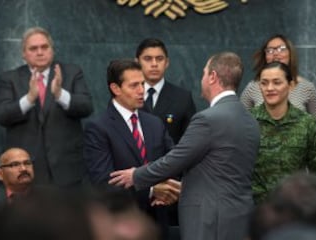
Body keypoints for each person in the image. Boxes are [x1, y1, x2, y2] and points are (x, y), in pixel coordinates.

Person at [109, 52, 261, 240]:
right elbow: (221, 171)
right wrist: (185, 186)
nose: (202, 78)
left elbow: (176, 159)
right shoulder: (250, 120)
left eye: (204, 73)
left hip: (210, 219)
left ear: (212, 77)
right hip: (240, 216)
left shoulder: (208, 119)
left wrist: (136, 175)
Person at [83, 59, 180, 238]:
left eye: (142, 84)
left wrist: (168, 190)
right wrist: (151, 191)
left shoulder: (155, 123)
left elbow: (174, 161)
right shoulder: (98, 128)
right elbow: (104, 183)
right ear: (116, 88)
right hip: (122, 226)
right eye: (134, 85)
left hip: (159, 223)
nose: (141, 91)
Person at [0, 27, 93, 186]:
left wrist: (60, 94)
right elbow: (2, 116)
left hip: (66, 168)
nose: (40, 52)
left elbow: (86, 107)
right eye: (33, 48)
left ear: (52, 50)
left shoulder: (72, 72)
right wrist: (29, 99)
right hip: (26, 168)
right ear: (23, 53)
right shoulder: (9, 78)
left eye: (44, 47)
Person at [251, 61, 316, 202]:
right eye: (264, 83)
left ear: (290, 85)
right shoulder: (247, 121)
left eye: (277, 82)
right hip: (255, 212)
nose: (269, 88)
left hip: (295, 210)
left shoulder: (307, 124)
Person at [240, 34, 316, 141]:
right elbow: (241, 125)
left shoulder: (307, 88)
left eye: (281, 49)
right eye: (270, 50)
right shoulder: (252, 88)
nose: (276, 53)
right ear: (265, 57)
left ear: (291, 54)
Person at [136, 38, 196, 144]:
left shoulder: (182, 98)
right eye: (148, 59)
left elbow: (190, 141)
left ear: (167, 62)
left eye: (159, 59)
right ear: (137, 62)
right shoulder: (125, 96)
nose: (154, 64)